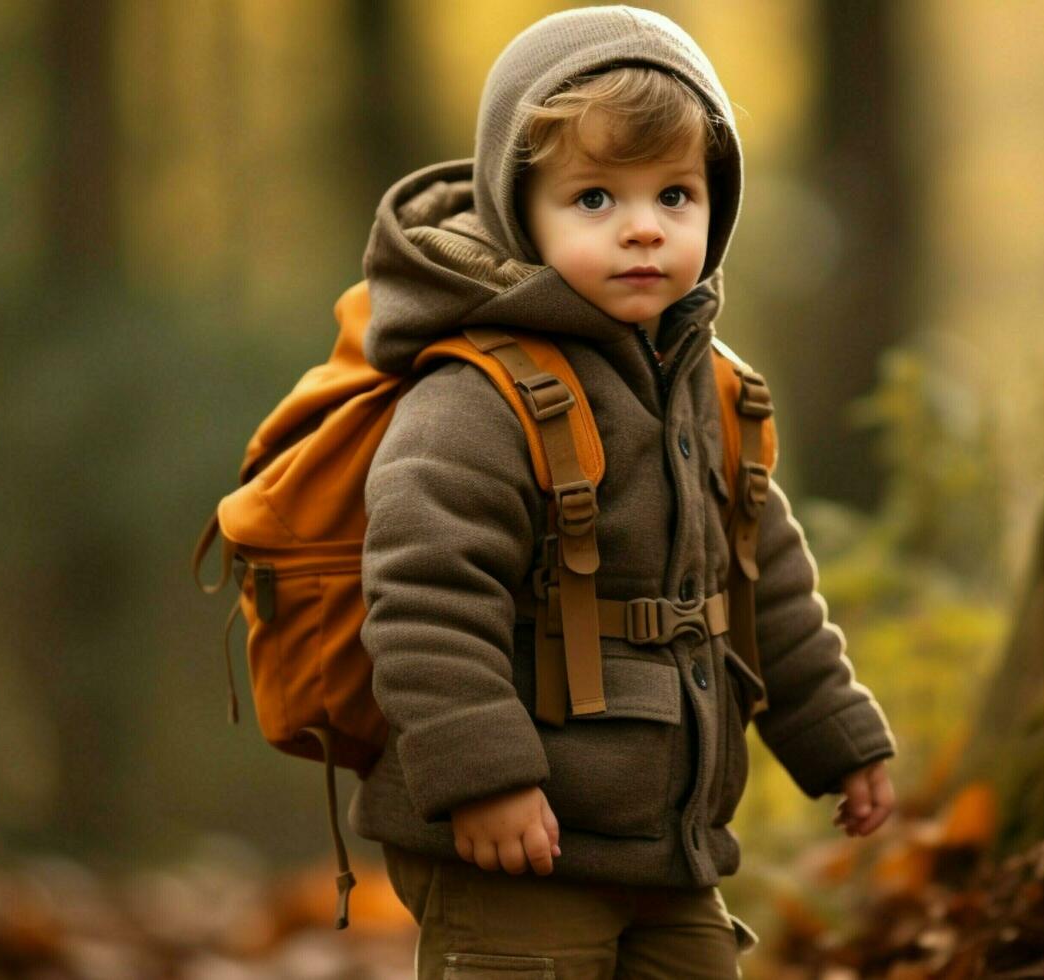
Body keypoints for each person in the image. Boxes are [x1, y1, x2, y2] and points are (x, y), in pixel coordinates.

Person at [350, 6, 897, 977]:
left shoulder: (714, 385)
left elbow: (766, 588)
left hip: (669, 849)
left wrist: (838, 738)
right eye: (596, 198)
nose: (644, 228)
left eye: (676, 196)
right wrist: (484, 776)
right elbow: (424, 593)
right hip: (519, 843)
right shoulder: (477, 393)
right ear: (524, 208)